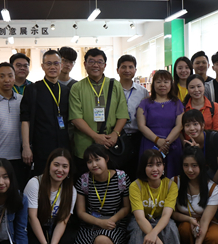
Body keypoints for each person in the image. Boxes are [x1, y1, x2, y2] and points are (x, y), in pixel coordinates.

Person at [71, 145, 131, 244]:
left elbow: (127, 207)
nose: (94, 165)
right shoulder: (84, 180)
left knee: (101, 243)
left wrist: (111, 220)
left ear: (106, 159)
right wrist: (99, 223)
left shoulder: (121, 177)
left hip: (114, 223)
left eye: (97, 159)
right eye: (89, 161)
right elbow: (80, 212)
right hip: (91, 224)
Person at [69, 48, 128, 176]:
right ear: (85, 64)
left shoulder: (115, 85)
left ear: (105, 65)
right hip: (85, 146)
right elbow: (75, 117)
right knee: (85, 182)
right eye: (91, 61)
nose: (95, 65)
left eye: (99, 62)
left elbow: (122, 113)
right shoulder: (77, 87)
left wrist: (115, 134)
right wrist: (95, 137)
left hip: (110, 145)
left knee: (111, 181)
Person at [24, 149, 77, 244]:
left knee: (67, 242)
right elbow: (32, 217)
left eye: (65, 166)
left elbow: (63, 221)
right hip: (36, 225)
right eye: (56, 165)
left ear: (69, 170)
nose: (60, 170)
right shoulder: (35, 183)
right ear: (49, 166)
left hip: (55, 225)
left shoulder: (71, 190)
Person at [172, 147, 218, 244]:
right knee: (185, 230)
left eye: (194, 165)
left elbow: (205, 220)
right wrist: (189, 219)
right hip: (184, 220)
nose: (190, 170)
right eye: (186, 165)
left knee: (216, 238)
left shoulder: (213, 188)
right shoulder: (174, 182)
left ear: (202, 165)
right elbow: (171, 213)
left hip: (206, 221)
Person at [21, 50, 70, 176]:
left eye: (56, 63)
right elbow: (25, 120)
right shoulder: (33, 89)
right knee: (42, 180)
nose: (52, 67)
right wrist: (26, 147)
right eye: (48, 64)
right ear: (42, 66)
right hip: (41, 147)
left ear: (61, 66)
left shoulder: (66, 90)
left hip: (63, 146)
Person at [127, 150, 180, 244]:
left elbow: (166, 215)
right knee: (136, 228)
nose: (155, 169)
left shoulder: (171, 185)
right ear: (143, 167)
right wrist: (158, 242)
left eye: (158, 164)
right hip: (143, 218)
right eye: (150, 165)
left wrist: (153, 233)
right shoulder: (135, 186)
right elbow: (140, 218)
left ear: (163, 166)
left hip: (160, 217)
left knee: (171, 226)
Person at [0, 62, 27, 189]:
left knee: (18, 191)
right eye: (2, 76)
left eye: (10, 76)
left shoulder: (22, 100)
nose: (6, 80)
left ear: (14, 77)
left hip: (20, 157)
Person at [137, 70, 183, 178]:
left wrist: (166, 143)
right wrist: (158, 140)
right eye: (158, 82)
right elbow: (141, 126)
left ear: (171, 84)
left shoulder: (177, 103)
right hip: (150, 144)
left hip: (172, 144)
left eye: (166, 82)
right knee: (150, 176)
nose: (162, 85)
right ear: (153, 84)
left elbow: (179, 125)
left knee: (172, 176)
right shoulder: (145, 103)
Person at [116, 54, 149, 181]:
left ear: (135, 70)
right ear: (117, 70)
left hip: (137, 136)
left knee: (136, 170)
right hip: (117, 137)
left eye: (131, 67)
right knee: (119, 170)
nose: (127, 70)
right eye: (123, 67)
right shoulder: (111, 90)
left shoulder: (143, 92)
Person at [181, 110, 218, 184]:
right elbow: (194, 169)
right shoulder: (188, 145)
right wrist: (196, 151)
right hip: (206, 174)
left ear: (202, 125)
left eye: (195, 124)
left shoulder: (216, 139)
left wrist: (211, 187)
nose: (192, 128)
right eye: (187, 125)